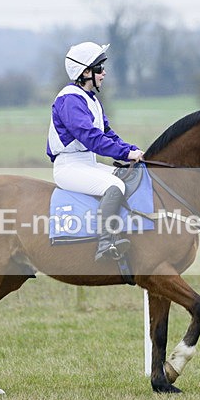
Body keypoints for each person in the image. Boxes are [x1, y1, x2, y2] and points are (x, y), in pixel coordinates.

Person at [46, 42, 145, 261]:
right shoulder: (69, 99)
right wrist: (125, 154)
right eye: (100, 68)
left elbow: (107, 134)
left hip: (87, 163)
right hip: (69, 167)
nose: (104, 73)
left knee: (126, 178)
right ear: (85, 72)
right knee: (115, 186)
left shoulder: (90, 99)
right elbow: (91, 138)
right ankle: (105, 243)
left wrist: (132, 149)